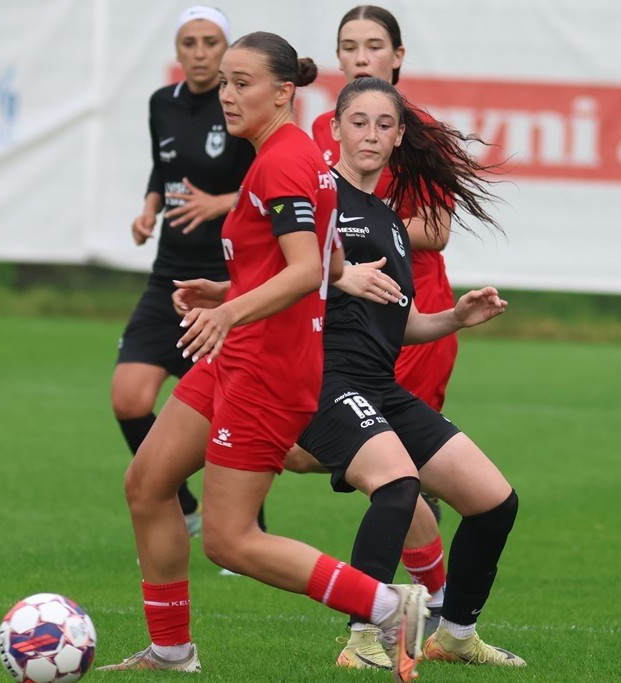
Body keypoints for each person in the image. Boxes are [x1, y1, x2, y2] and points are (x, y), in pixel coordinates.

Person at [100, 32, 431, 682]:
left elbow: (305, 270)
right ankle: (170, 652)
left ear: (283, 92)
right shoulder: (293, 155)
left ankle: (389, 606)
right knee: (147, 483)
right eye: (224, 82)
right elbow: (326, 262)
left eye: (241, 83)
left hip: (267, 367)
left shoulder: (283, 162)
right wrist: (229, 291)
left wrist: (228, 312)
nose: (226, 94)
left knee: (230, 539)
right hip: (240, 354)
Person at [296, 76, 527, 671]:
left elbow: (400, 323)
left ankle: (456, 636)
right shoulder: (318, 199)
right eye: (358, 122)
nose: (370, 135)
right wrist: (335, 275)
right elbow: (277, 275)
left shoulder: (393, 222)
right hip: (325, 380)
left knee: (494, 502)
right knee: (398, 487)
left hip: (380, 386)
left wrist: (455, 318)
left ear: (399, 136)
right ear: (335, 128)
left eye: (384, 125)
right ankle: (361, 640)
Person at [289, 4, 452, 621]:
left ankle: (421, 611)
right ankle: (426, 608)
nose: (361, 57)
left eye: (374, 46)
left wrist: (363, 231)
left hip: (411, 320)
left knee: (398, 475)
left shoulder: (418, 132)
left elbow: (436, 228)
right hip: (341, 320)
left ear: (398, 56)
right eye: (350, 46)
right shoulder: (320, 133)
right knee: (318, 453)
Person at [111, 6, 257, 537]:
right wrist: (149, 208)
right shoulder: (162, 103)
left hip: (224, 280)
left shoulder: (240, 105)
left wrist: (218, 203)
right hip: (168, 276)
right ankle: (187, 506)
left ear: (226, 49)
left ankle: (248, 525)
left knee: (229, 411)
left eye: (210, 42)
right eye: (189, 43)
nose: (199, 53)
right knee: (128, 397)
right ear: (177, 50)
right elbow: (163, 166)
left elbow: (270, 184)